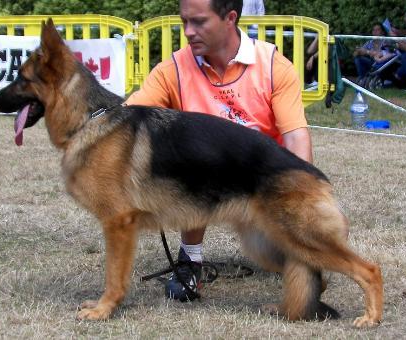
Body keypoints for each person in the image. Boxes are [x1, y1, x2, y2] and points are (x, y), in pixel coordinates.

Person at [125, 0, 312, 302]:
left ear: (230, 18)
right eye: (184, 21)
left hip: (263, 187)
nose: (188, 32)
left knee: (314, 245)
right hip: (205, 181)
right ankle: (190, 261)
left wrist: (301, 206)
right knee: (194, 157)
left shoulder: (274, 65)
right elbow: (126, 118)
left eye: (198, 22)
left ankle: (292, 250)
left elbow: (296, 138)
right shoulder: (172, 69)